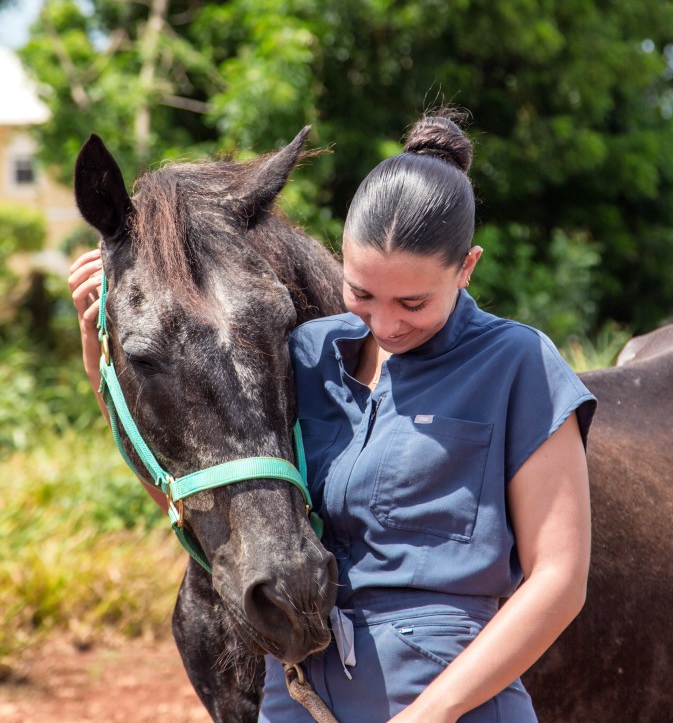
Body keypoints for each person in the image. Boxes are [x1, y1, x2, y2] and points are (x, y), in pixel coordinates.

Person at [69, 112, 596, 723]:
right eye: (362, 293)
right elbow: (196, 488)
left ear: (467, 267)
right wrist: (98, 339)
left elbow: (560, 578)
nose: (388, 324)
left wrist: (430, 715)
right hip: (298, 704)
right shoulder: (307, 355)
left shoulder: (519, 363)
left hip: (448, 702)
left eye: (414, 303)